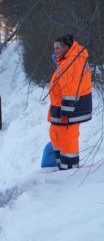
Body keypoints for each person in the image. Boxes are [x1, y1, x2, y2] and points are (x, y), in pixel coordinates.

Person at [48, 34, 92, 170]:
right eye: (54, 48)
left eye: (58, 48)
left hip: (68, 112)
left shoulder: (73, 62)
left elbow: (71, 91)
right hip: (60, 109)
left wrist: (66, 113)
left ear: (67, 47)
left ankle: (69, 170)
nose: (55, 51)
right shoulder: (67, 61)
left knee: (67, 140)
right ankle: (61, 166)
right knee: (56, 136)